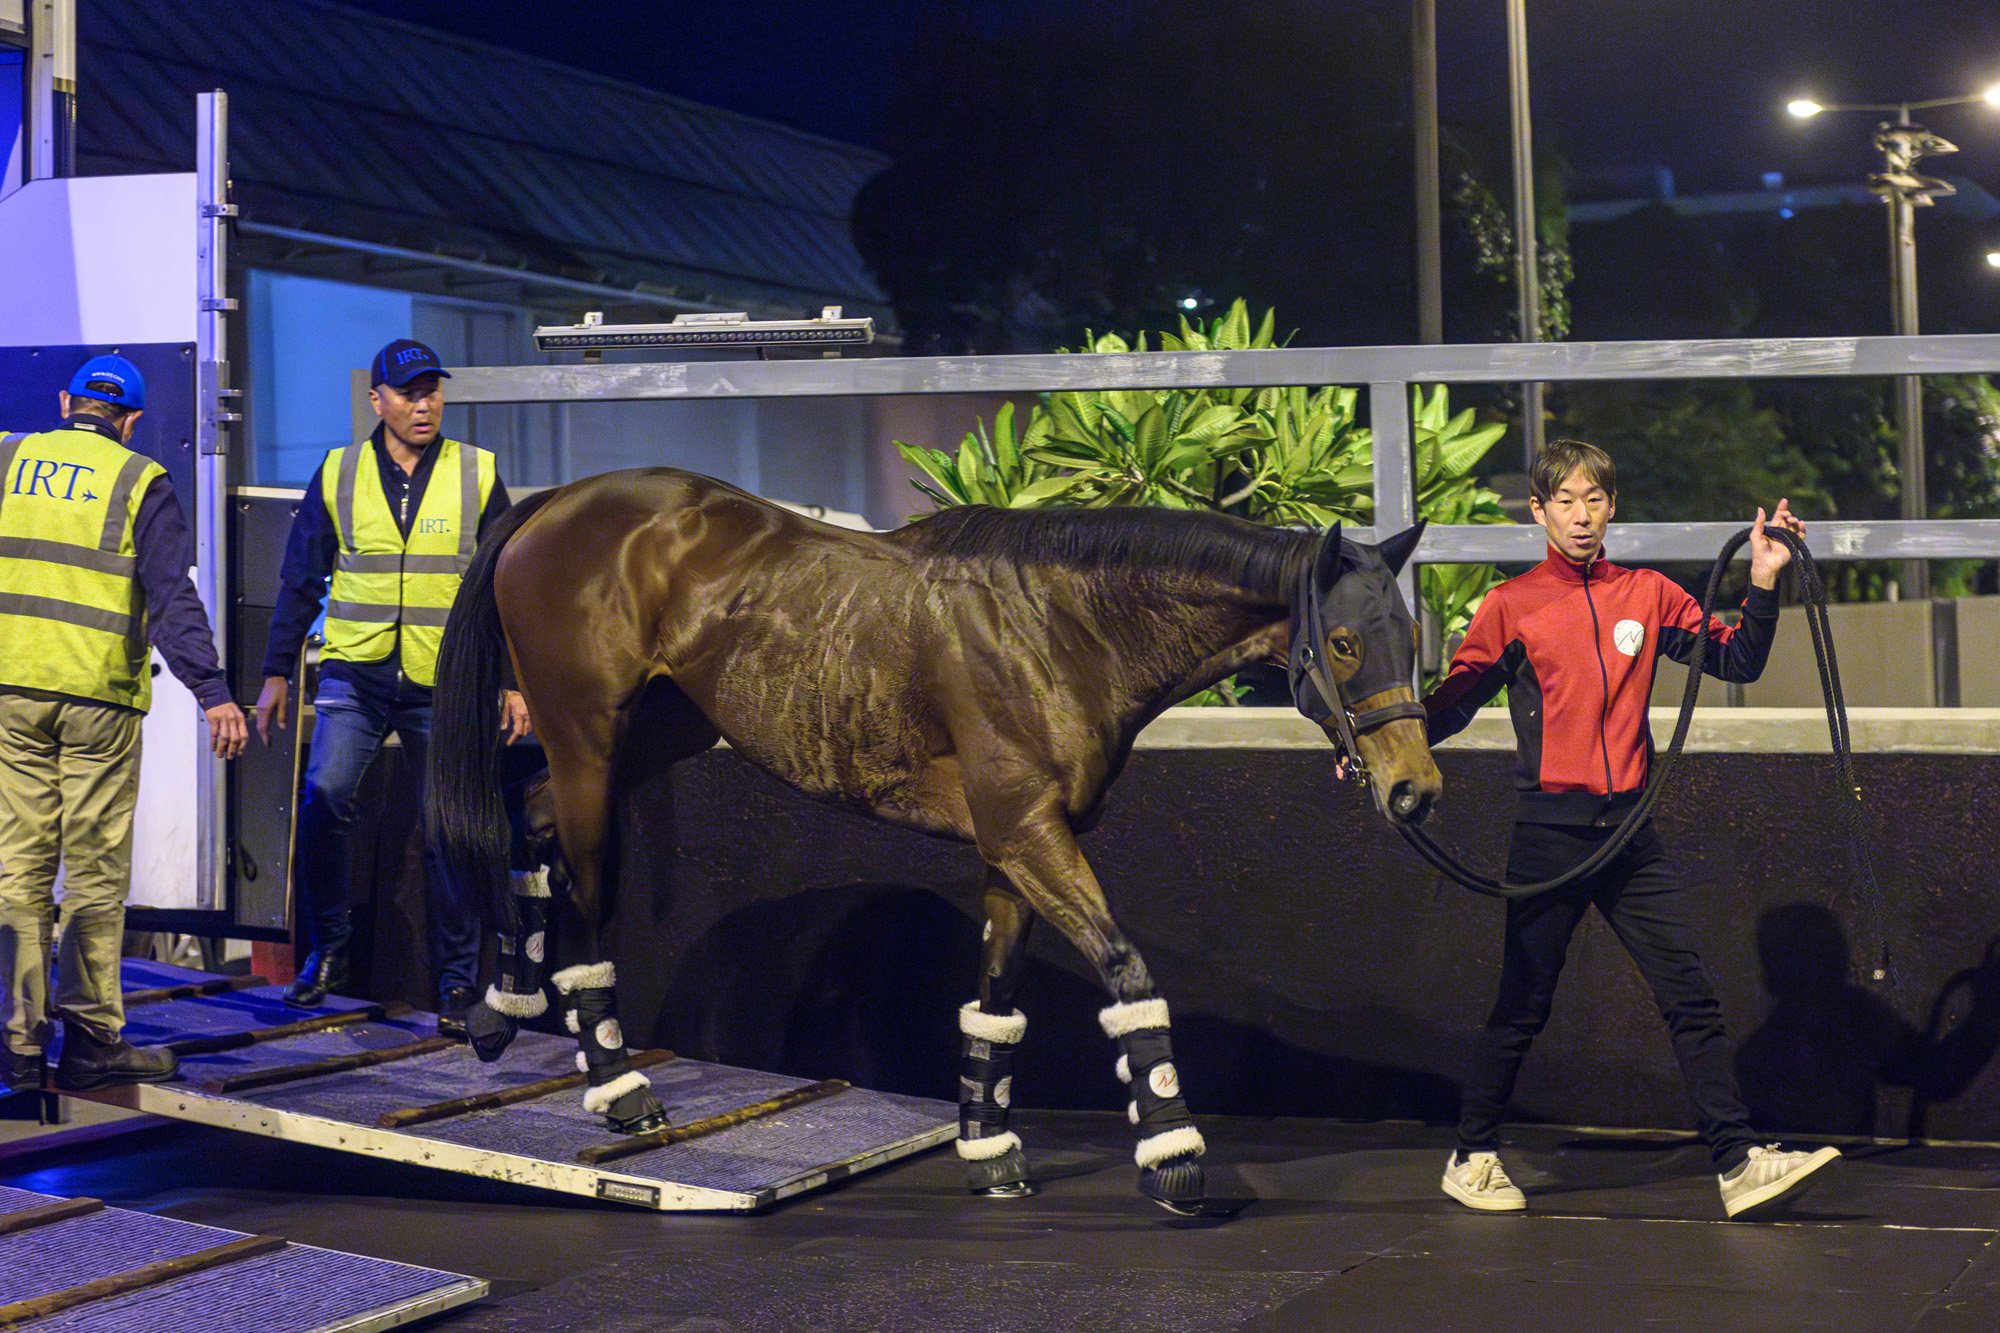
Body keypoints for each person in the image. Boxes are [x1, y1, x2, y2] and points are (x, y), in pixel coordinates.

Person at [1423, 437, 1840, 1220]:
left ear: (1612, 506)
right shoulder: (1511, 604)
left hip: (1630, 834)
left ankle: (1737, 1160)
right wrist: (1376, 747)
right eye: (1565, 502)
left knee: (1689, 993)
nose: (1580, 516)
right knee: (1522, 1004)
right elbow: (1453, 700)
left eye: (1594, 499)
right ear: (1540, 512)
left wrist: (1761, 580)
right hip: (1550, 833)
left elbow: (1739, 661)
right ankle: (1472, 1154)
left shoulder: (1647, 594)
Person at [254, 339, 528, 1034]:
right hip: (357, 670)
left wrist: (514, 683)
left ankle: (459, 985)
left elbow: (509, 587)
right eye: (409, 392)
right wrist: (275, 673)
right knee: (325, 796)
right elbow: (299, 578)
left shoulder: (476, 472)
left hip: (446, 679)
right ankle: (327, 951)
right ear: (377, 401)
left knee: (449, 828)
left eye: (432, 390)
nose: (424, 403)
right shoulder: (340, 472)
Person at [0, 355, 248, 1091]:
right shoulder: (141, 481)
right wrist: (213, 692)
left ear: (66, 402)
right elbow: (171, 598)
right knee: (93, 872)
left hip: (13, 691)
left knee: (20, 866)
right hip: (99, 701)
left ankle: (18, 1041)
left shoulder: (11, 458)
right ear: (131, 421)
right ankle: (91, 1039)